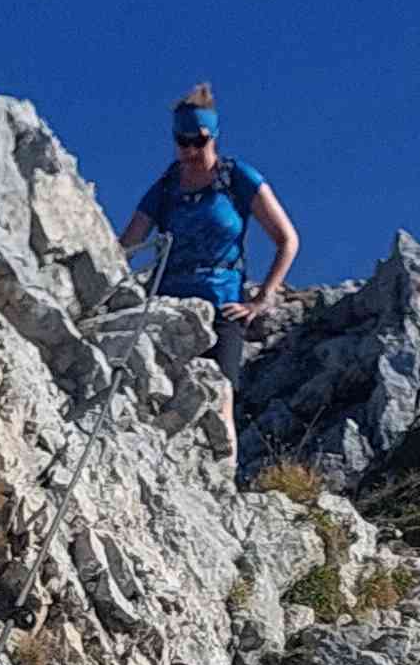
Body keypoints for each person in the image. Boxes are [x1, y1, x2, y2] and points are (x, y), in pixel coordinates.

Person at [120, 91, 299, 445]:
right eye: (182, 141)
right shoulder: (166, 188)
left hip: (223, 306)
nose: (190, 150)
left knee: (221, 398)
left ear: (213, 137)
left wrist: (262, 298)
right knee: (161, 400)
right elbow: (128, 245)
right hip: (169, 310)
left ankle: (223, 470)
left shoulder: (237, 178)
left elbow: (287, 239)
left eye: (198, 142)